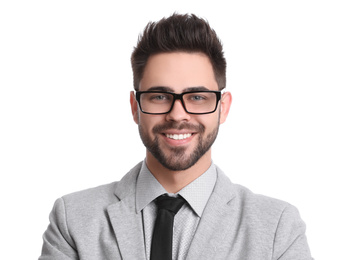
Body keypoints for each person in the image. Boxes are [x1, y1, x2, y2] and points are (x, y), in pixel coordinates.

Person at [39, 13, 313, 260]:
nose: (178, 115)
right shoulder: (72, 220)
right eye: (160, 96)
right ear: (135, 108)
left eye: (197, 97)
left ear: (223, 107)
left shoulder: (278, 228)